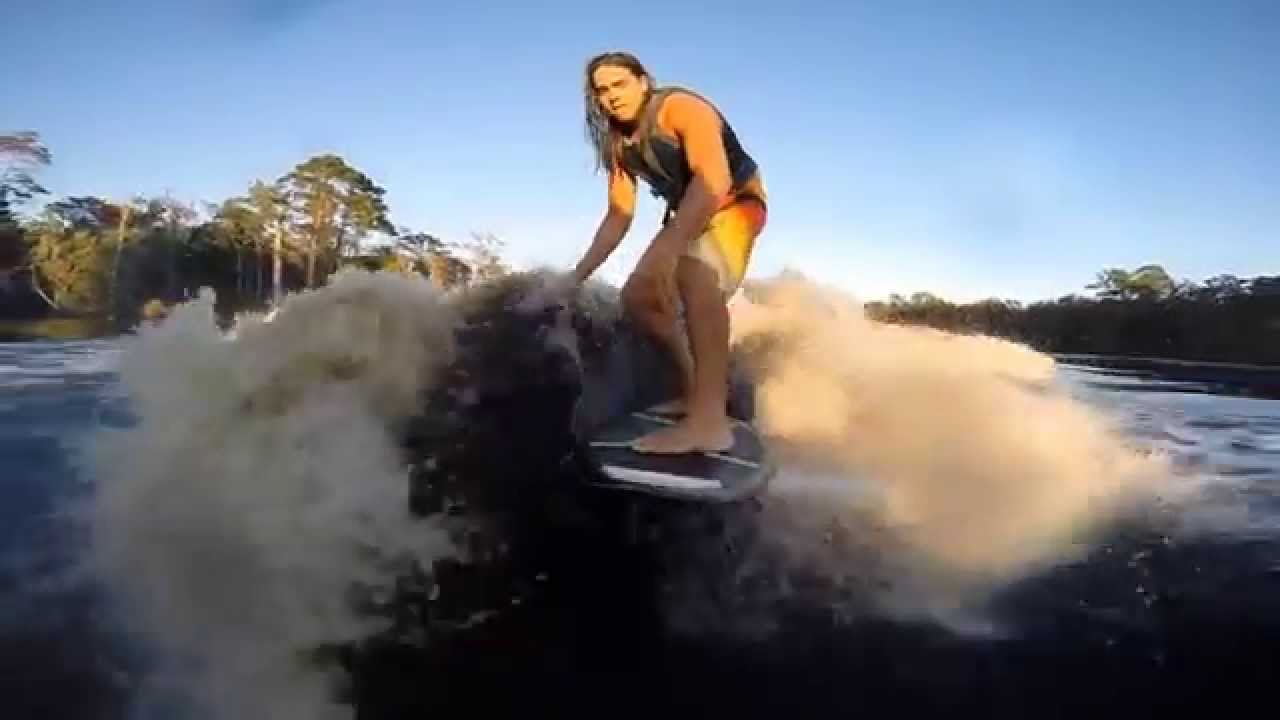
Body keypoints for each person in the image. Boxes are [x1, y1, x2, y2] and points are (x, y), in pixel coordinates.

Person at [566, 51, 768, 454]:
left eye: (619, 84)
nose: (611, 97)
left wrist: (672, 246)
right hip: (688, 211)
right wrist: (575, 277)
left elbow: (714, 178)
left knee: (695, 275)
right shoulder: (620, 145)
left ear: (643, 81)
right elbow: (619, 216)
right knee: (639, 299)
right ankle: (698, 394)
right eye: (601, 91)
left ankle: (710, 422)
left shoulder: (681, 108)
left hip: (735, 204)